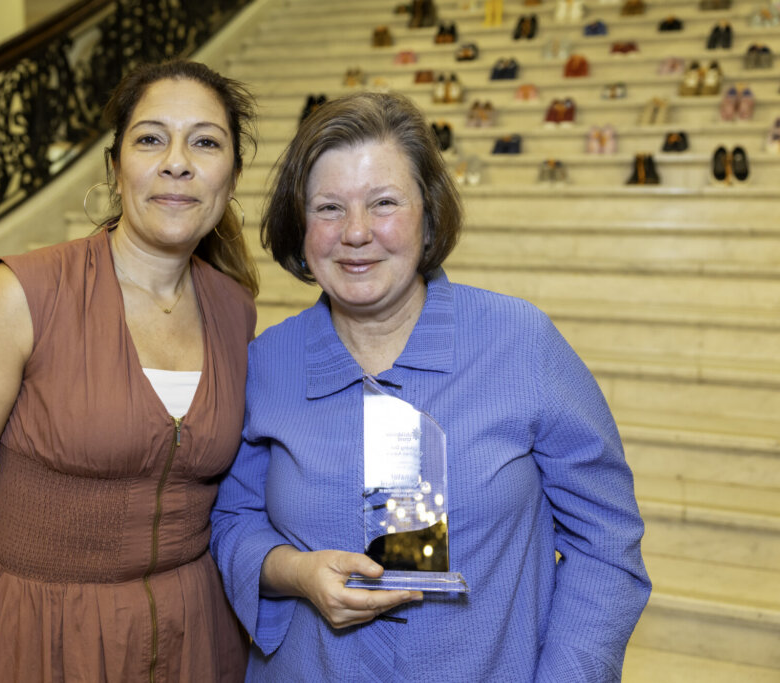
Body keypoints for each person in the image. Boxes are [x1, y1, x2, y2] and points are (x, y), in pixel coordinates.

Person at [210, 91, 651, 682]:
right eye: (329, 208)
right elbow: (232, 519)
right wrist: (294, 572)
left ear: (429, 214)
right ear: (300, 226)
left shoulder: (520, 343)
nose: (357, 233)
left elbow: (606, 541)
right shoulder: (268, 363)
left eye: (384, 202)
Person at [0, 60, 259, 683]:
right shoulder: (23, 295)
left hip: (196, 641)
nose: (178, 161)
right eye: (151, 138)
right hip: (43, 639)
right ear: (116, 168)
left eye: (205, 141)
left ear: (229, 178)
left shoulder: (235, 310)